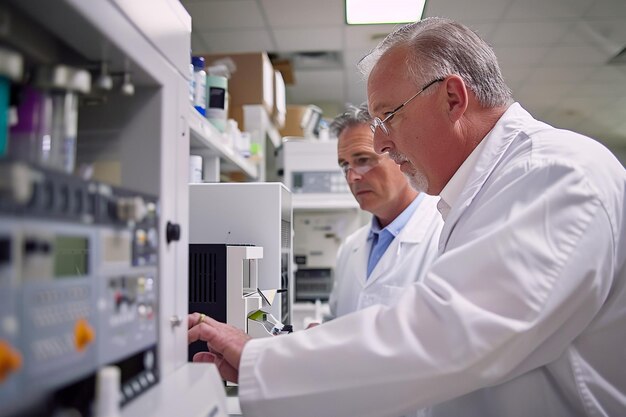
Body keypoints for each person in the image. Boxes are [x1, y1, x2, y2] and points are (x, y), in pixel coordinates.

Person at [188, 17, 626, 417]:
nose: (381, 144)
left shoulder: (552, 172)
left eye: (388, 117)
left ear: (452, 98)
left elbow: (453, 334)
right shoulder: (488, 188)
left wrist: (261, 359)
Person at [326, 103, 442, 321]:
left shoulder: (443, 236)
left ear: (399, 155)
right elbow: (334, 320)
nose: (352, 178)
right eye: (344, 166)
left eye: (363, 160)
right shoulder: (350, 247)